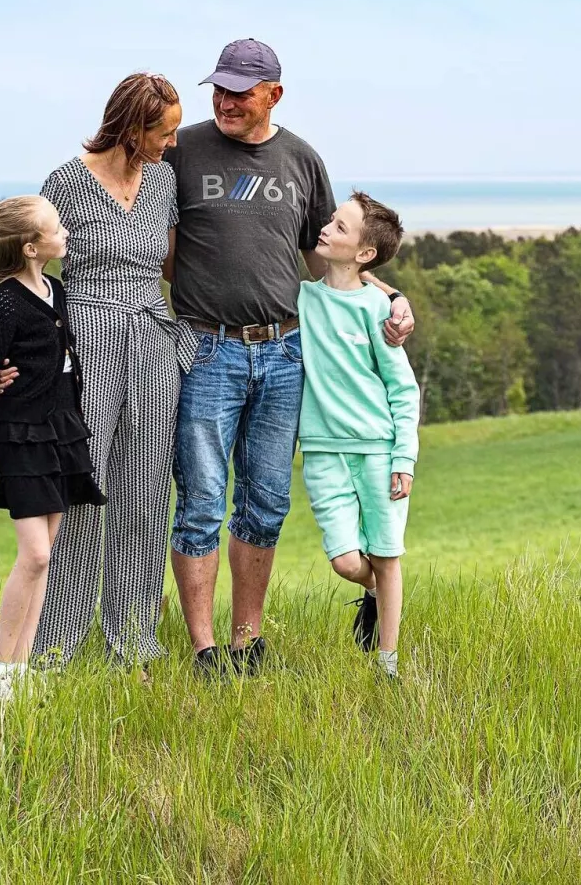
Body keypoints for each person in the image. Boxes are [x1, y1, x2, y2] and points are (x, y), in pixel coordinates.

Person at [165, 39, 415, 677]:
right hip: (204, 348)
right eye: (218, 89)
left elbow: (328, 257)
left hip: (283, 352)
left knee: (266, 499)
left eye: (239, 93)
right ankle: (204, 650)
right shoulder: (183, 150)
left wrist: (394, 298)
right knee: (200, 500)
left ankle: (248, 643)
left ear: (273, 94)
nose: (225, 102)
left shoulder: (302, 159)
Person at [18, 73, 188, 668]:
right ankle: (56, 643)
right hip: (85, 341)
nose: (171, 143)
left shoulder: (164, 179)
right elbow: (25, 267)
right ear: (131, 127)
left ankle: (133, 639)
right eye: (163, 133)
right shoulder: (64, 182)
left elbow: (173, 264)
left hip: (151, 343)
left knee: (144, 490)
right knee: (82, 483)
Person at [0, 194, 107, 703]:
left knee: (46, 558)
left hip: (59, 431)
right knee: (34, 554)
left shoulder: (54, 290)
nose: (66, 234)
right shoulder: (4, 303)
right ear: (33, 247)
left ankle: (22, 669)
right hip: (18, 436)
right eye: (58, 228)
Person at [296, 192, 419, 679]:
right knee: (347, 561)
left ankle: (387, 662)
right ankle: (372, 593)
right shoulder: (303, 298)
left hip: (378, 452)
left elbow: (402, 390)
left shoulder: (378, 312)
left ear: (364, 253)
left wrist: (403, 460)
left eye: (340, 228)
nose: (326, 229)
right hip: (323, 451)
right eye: (331, 221)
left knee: (386, 555)